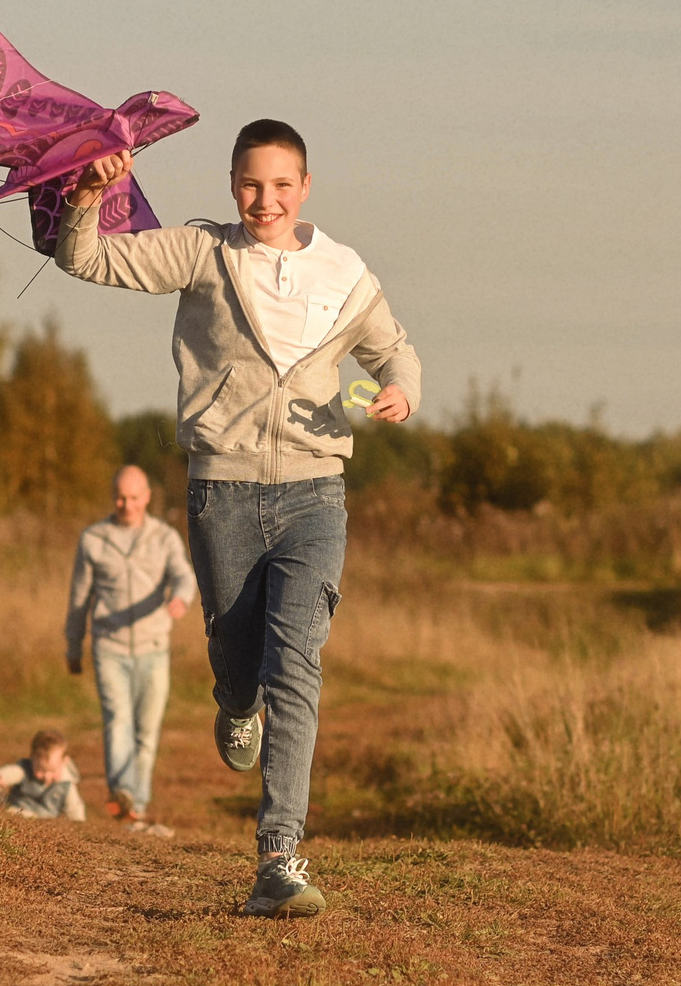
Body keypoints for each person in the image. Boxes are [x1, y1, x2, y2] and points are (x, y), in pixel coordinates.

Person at [54, 118, 423, 918]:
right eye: (251, 184)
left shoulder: (343, 272)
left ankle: (277, 857)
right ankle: (234, 704)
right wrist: (88, 195)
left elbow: (395, 351)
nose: (266, 199)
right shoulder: (200, 250)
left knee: (297, 663)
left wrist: (401, 389)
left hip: (315, 492)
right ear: (232, 185)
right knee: (235, 649)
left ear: (305, 188)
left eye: (282, 185)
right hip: (221, 488)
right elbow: (81, 257)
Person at [66, 464, 195, 833]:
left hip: (154, 646)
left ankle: (135, 805)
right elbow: (79, 597)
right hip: (110, 646)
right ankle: (122, 794)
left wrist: (181, 600)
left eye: (134, 498)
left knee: (147, 730)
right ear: (113, 497)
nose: (126, 504)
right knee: (118, 721)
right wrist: (73, 645)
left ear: (147, 498)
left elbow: (184, 575)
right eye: (120, 498)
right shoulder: (93, 539)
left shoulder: (163, 537)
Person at [0, 729, 86, 820]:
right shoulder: (25, 770)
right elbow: (14, 771)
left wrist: (78, 825)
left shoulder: (67, 785)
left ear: (64, 762)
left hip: (46, 824)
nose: (46, 776)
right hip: (16, 813)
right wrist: (0, 777)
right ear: (32, 759)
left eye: (52, 771)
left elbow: (75, 811)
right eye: (40, 770)